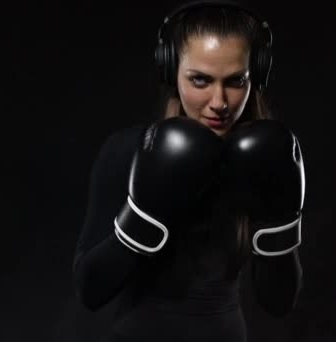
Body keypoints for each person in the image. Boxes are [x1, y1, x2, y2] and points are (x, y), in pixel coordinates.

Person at [72, 1, 305, 341]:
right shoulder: (126, 151)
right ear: (171, 71)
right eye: (200, 80)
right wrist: (144, 214)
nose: (219, 102)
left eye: (236, 81)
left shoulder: (268, 155)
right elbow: (90, 292)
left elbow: (279, 303)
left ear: (256, 75)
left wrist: (280, 221)